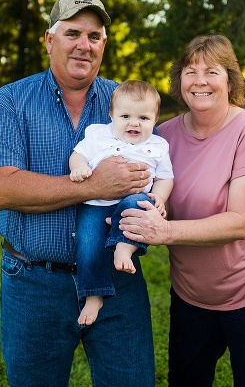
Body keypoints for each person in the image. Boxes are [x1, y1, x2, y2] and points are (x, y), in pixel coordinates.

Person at [0, 0, 156, 387]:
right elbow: (1, 191)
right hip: (34, 282)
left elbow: (153, 170)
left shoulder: (125, 102)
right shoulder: (10, 102)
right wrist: (93, 184)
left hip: (116, 281)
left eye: (94, 37)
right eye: (72, 33)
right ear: (49, 40)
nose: (83, 45)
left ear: (104, 45)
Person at [118, 34, 245, 387]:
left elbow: (243, 221)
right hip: (192, 292)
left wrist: (166, 232)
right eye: (191, 71)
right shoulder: (161, 137)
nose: (200, 81)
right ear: (179, 80)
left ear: (230, 81)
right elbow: (136, 191)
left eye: (212, 71)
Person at [69, 80, 174, 325]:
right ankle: (93, 295)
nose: (134, 123)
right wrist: (79, 167)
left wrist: (159, 195)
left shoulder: (158, 145)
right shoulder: (98, 134)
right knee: (87, 243)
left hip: (132, 201)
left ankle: (125, 246)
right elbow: (78, 154)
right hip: (96, 203)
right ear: (112, 115)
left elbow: (165, 177)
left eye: (143, 118)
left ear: (155, 119)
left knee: (140, 204)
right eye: (125, 115)